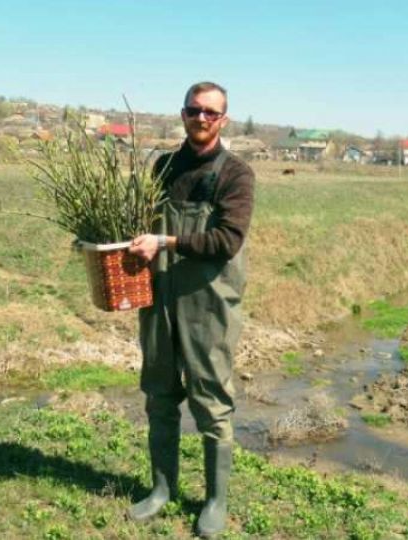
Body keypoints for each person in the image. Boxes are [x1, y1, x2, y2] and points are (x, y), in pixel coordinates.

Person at [127, 81, 254, 538]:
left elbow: (227, 241)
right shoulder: (163, 167)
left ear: (224, 119)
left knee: (212, 403)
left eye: (211, 113)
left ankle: (215, 501)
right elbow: (137, 222)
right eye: (194, 110)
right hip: (159, 295)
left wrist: (167, 241)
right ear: (182, 114)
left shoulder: (235, 174)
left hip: (210, 303)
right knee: (159, 394)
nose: (201, 118)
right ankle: (162, 490)